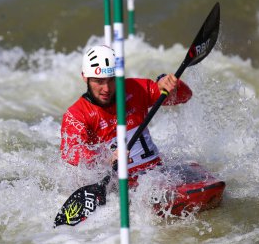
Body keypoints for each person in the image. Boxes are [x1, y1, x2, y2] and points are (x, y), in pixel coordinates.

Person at [60, 45, 192, 184]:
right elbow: (70, 152)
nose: (106, 89)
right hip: (119, 186)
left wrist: (171, 85)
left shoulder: (135, 89)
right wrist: (106, 158)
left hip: (157, 175)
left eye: (112, 80)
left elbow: (185, 96)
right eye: (99, 81)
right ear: (85, 78)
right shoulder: (76, 114)